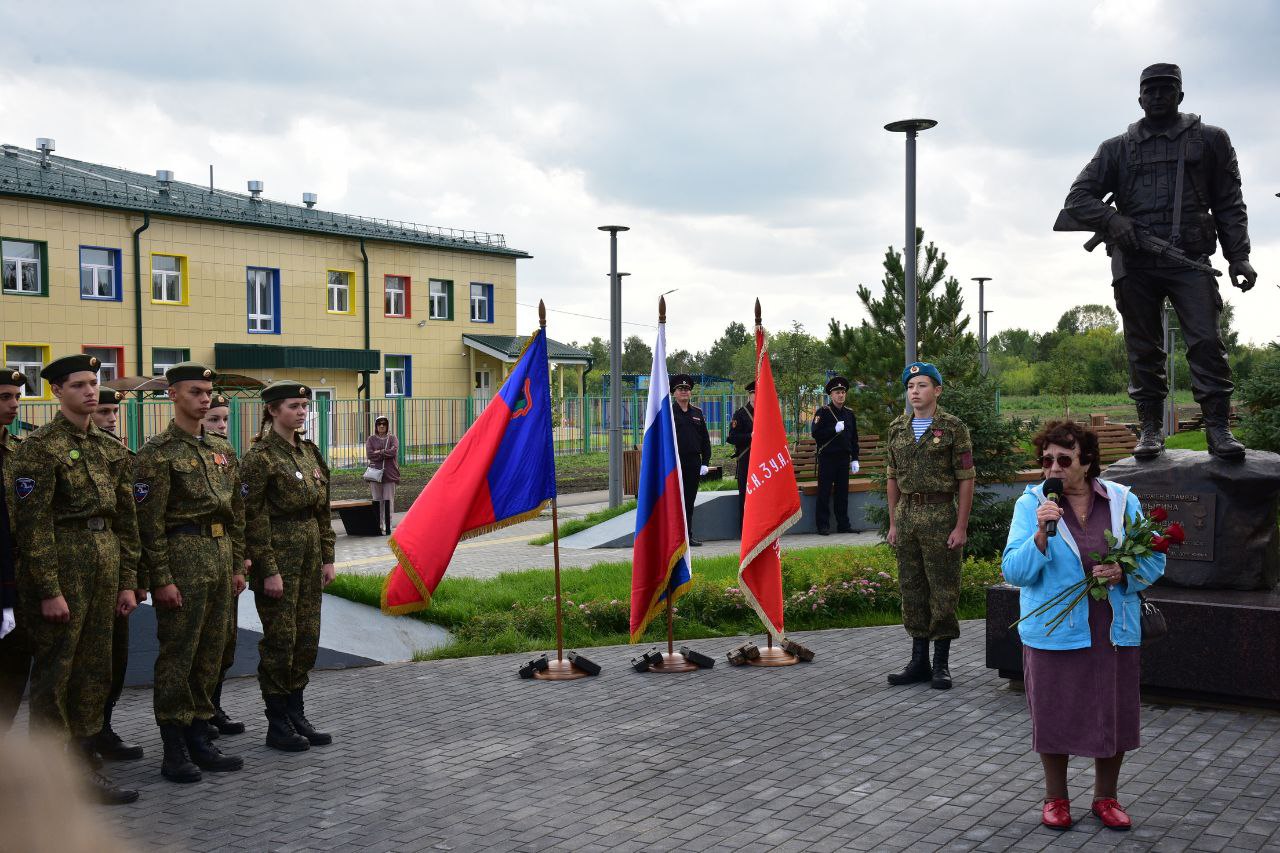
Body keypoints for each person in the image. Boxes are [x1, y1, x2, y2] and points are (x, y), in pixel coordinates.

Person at [1061, 63, 1257, 460]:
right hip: (1135, 262)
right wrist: (1114, 220)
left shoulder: (1212, 139)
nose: (1158, 97)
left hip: (1189, 257)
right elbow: (1077, 199)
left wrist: (1239, 257)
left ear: (1180, 95)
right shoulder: (1116, 147)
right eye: (1150, 91)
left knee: (1206, 342)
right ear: (1139, 98)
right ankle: (1150, 429)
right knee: (1142, 347)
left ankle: (1217, 429)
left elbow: (1229, 203)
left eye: (1166, 89)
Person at [1001, 420, 1166, 831]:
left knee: (1112, 713)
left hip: (1112, 627)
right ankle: (1056, 798)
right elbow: (1013, 571)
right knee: (1054, 713)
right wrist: (1040, 534)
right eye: (1046, 460)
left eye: (1063, 459)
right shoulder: (1030, 505)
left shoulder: (1122, 501)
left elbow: (1155, 559)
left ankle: (1105, 798)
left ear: (1087, 461)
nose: (1053, 468)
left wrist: (1123, 573)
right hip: (1053, 631)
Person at [10, 353, 140, 804]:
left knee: (94, 670)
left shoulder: (110, 449)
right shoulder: (39, 449)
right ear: (55, 391)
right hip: (63, 564)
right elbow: (33, 527)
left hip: (105, 562)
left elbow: (127, 520)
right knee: (56, 674)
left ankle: (84, 764)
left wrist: (128, 580)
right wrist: (49, 589)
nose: (90, 391)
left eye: (93, 382)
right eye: (79, 385)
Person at [134, 364, 245, 783]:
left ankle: (201, 731)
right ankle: (174, 746)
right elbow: (150, 524)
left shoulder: (222, 451)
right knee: (178, 655)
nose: (204, 399)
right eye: (195, 391)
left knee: (210, 652)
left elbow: (236, 513)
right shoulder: (156, 453)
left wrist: (236, 565)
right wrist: (160, 578)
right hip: (182, 559)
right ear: (172, 395)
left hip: (219, 557)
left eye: (208, 392)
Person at [242, 381, 335, 751]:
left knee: (306, 639)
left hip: (310, 555)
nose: (301, 411)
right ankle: (277, 721)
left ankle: (297, 712)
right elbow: (252, 517)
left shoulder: (308, 452)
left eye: (304, 405)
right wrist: (267, 569)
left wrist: (328, 557)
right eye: (294, 406)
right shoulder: (260, 457)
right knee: (281, 641)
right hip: (280, 558)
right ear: (273, 410)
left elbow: (322, 510)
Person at [884, 362, 975, 690]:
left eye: (922, 386)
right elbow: (892, 477)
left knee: (943, 589)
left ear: (936, 390)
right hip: (908, 515)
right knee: (912, 588)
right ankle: (918, 661)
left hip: (940, 516)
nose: (915, 392)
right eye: (910, 387)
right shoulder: (897, 428)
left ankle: (941, 664)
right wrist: (893, 523)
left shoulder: (952, 427)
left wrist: (961, 526)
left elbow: (966, 478)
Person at [87, 388, 145, 762]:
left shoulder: (121, 456)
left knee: (115, 658)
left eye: (114, 411)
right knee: (84, 665)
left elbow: (131, 523)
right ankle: (80, 743)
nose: (111, 418)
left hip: (115, 566)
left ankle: (103, 728)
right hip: (80, 567)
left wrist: (133, 579)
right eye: (104, 411)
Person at [200, 393, 248, 737]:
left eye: (224, 420)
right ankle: (197, 715)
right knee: (200, 643)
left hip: (224, 552)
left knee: (224, 641)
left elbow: (238, 513)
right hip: (194, 556)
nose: (220, 426)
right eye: (213, 419)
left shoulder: (228, 457)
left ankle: (213, 705)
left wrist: (239, 561)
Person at [0, 369, 31, 731]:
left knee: (16, 659)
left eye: (16, 397)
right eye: (4, 397)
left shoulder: (21, 453)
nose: (13, 405)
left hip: (20, 574)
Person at [810, 376, 860, 535]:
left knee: (842, 493)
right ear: (831, 395)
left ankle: (843, 524)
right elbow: (815, 434)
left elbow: (854, 438)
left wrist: (855, 458)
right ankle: (823, 525)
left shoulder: (849, 414)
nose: (841, 395)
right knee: (824, 492)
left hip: (843, 458)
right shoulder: (823, 412)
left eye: (843, 392)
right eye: (837, 392)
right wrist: (833, 429)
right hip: (827, 458)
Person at [669, 374, 711, 547]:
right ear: (674, 392)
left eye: (687, 389)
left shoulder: (697, 413)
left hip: (693, 462)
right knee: (673, 501)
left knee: (689, 501)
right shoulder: (668, 413)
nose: (684, 391)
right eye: (680, 389)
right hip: (674, 463)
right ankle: (673, 538)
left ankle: (687, 536)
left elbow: (705, 440)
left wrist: (705, 462)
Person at [365, 415, 400, 535]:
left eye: (384, 424)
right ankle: (379, 524)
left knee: (388, 501)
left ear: (387, 425)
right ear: (376, 426)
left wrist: (379, 452)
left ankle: (388, 525)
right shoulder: (370, 439)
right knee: (377, 501)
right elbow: (370, 455)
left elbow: (394, 451)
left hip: (390, 474)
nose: (381, 426)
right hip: (375, 475)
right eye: (379, 424)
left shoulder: (392, 438)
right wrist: (385, 452)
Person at [727, 381, 756, 527]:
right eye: (754, 393)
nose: (757, 396)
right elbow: (731, 437)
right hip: (747, 459)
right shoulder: (740, 414)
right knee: (746, 494)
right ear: (749, 395)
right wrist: (749, 436)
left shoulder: (769, 412)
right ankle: (745, 528)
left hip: (764, 462)